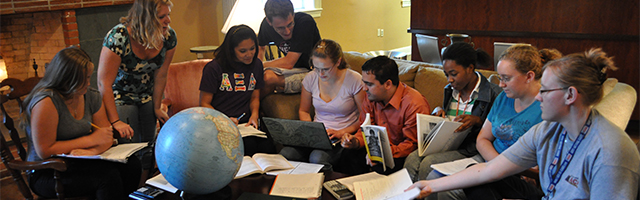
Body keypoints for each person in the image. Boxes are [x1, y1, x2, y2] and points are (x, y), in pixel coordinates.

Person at [408, 48, 640, 199]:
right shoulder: (547, 130)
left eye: (546, 91)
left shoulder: (611, 150)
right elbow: (490, 170)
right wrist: (429, 186)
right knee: (476, 182)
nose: (538, 96)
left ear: (570, 95)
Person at [417, 44, 562, 200]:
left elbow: (544, 164)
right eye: (500, 78)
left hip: (517, 171)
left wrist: (500, 167)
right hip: (491, 159)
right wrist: (496, 164)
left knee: (464, 186)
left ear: (529, 76)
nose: (500, 84)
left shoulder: (548, 109)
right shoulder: (503, 98)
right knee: (435, 176)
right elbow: (483, 138)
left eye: (506, 78)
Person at [21, 47, 141, 200]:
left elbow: (106, 137)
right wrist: (91, 140)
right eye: (82, 79)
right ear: (66, 79)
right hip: (47, 170)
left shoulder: (90, 96)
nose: (88, 82)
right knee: (107, 178)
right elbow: (45, 150)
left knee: (132, 165)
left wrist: (92, 151)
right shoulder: (47, 101)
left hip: (80, 161)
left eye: (89, 77)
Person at [404, 42, 502, 182]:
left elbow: (498, 130)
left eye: (454, 74)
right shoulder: (450, 89)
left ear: (470, 68)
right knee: (411, 160)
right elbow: (451, 117)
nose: (450, 80)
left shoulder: (493, 93)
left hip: (469, 148)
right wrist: (439, 111)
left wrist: (478, 121)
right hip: (447, 144)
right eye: (446, 74)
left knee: (428, 164)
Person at [98, 0, 177, 144]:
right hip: (120, 95)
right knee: (128, 143)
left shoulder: (169, 37)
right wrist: (115, 121)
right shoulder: (118, 37)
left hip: (147, 94)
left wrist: (157, 106)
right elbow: (104, 83)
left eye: (168, 15)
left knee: (149, 143)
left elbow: (161, 74)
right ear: (145, 18)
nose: (168, 20)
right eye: (161, 17)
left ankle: (147, 167)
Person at [279, 39, 364, 170]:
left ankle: (323, 188)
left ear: (338, 62)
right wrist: (310, 129)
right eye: (316, 68)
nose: (320, 74)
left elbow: (365, 117)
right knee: (285, 155)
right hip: (317, 134)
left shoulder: (354, 79)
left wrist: (342, 132)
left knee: (317, 158)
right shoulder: (311, 78)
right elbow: (304, 111)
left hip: (342, 136)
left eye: (325, 69)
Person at [341, 56, 431, 175]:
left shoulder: (414, 104)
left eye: (369, 84)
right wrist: (355, 141)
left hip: (400, 153)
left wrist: (382, 153)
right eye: (364, 82)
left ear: (388, 84)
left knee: (381, 165)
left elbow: (412, 145)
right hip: (377, 148)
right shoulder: (371, 97)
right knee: (346, 154)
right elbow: (365, 129)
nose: (364, 88)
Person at [199, 25, 274, 156]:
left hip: (246, 125)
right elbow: (204, 104)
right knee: (247, 148)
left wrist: (254, 115)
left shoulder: (256, 65)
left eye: (252, 48)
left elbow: (255, 97)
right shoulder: (214, 68)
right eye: (243, 51)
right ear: (231, 50)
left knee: (269, 149)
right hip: (221, 124)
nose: (249, 54)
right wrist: (225, 120)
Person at [257, 0, 321, 98]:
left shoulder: (305, 22)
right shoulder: (266, 26)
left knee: (268, 77)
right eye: (280, 28)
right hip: (294, 70)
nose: (287, 31)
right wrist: (257, 65)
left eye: (290, 24)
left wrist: (258, 66)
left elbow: (289, 62)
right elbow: (260, 47)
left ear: (293, 15)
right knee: (258, 78)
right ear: (269, 22)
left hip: (316, 73)